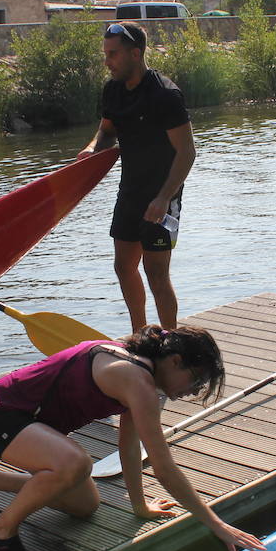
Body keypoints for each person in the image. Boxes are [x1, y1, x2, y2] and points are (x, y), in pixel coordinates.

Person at [0, 325, 266, 551]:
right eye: (194, 381)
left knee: (84, 504)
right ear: (175, 361)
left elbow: (129, 445)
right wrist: (218, 525)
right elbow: (164, 467)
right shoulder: (136, 379)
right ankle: (1, 532)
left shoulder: (145, 374)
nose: (190, 392)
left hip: (29, 422)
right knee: (75, 464)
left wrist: (139, 507)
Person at [77, 21, 195, 332]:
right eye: (105, 54)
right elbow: (106, 132)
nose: (107, 61)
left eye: (113, 54)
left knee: (157, 274)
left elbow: (186, 153)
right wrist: (91, 150)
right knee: (124, 267)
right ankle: (140, 334)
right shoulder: (113, 90)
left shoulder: (165, 95)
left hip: (163, 196)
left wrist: (164, 198)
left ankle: (171, 340)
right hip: (129, 192)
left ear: (136, 53)